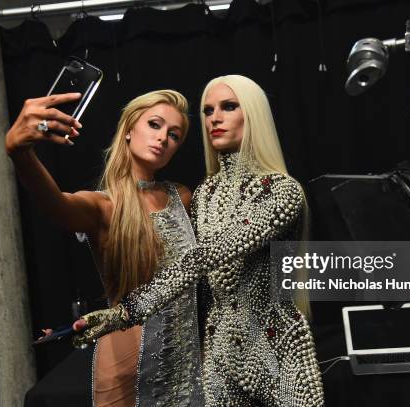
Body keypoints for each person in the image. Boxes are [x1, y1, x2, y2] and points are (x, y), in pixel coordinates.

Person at [74, 75, 325, 406]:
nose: (215, 118)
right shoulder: (204, 194)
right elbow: (176, 266)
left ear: (254, 114)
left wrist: (127, 311)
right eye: (208, 111)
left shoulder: (282, 190)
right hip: (219, 358)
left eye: (229, 107)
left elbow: (208, 255)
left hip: (277, 348)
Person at [5, 90, 204, 406]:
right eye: (154, 124)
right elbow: (56, 204)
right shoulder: (104, 206)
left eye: (174, 134)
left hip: (187, 370)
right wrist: (21, 153)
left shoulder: (182, 196)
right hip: (128, 372)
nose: (163, 137)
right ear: (128, 130)